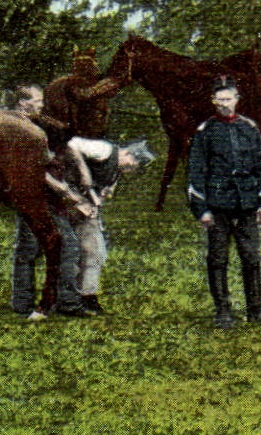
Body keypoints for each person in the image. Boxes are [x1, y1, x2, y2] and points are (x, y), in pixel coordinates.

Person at [186, 76, 261, 329]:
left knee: (251, 258)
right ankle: (223, 310)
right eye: (220, 99)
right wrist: (201, 209)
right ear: (213, 101)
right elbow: (196, 172)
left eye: (229, 99)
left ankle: (255, 308)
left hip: (246, 204)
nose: (225, 104)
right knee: (218, 259)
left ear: (237, 99)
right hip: (218, 204)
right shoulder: (205, 131)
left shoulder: (249, 128)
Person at [8, 84, 87, 320]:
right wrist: (63, 190)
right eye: (38, 101)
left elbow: (63, 145)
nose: (42, 105)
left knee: (32, 249)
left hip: (42, 197)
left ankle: (24, 303)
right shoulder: (16, 129)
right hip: (36, 197)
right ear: (23, 103)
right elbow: (27, 167)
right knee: (62, 246)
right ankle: (65, 303)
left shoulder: (36, 124)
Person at [66, 135, 155, 315]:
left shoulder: (115, 171)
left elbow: (101, 194)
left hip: (84, 209)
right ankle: (76, 298)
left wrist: (98, 198)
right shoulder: (104, 150)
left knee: (95, 252)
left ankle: (86, 297)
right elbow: (71, 144)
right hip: (64, 198)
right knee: (77, 252)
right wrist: (83, 172)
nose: (130, 170)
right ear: (128, 154)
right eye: (132, 165)